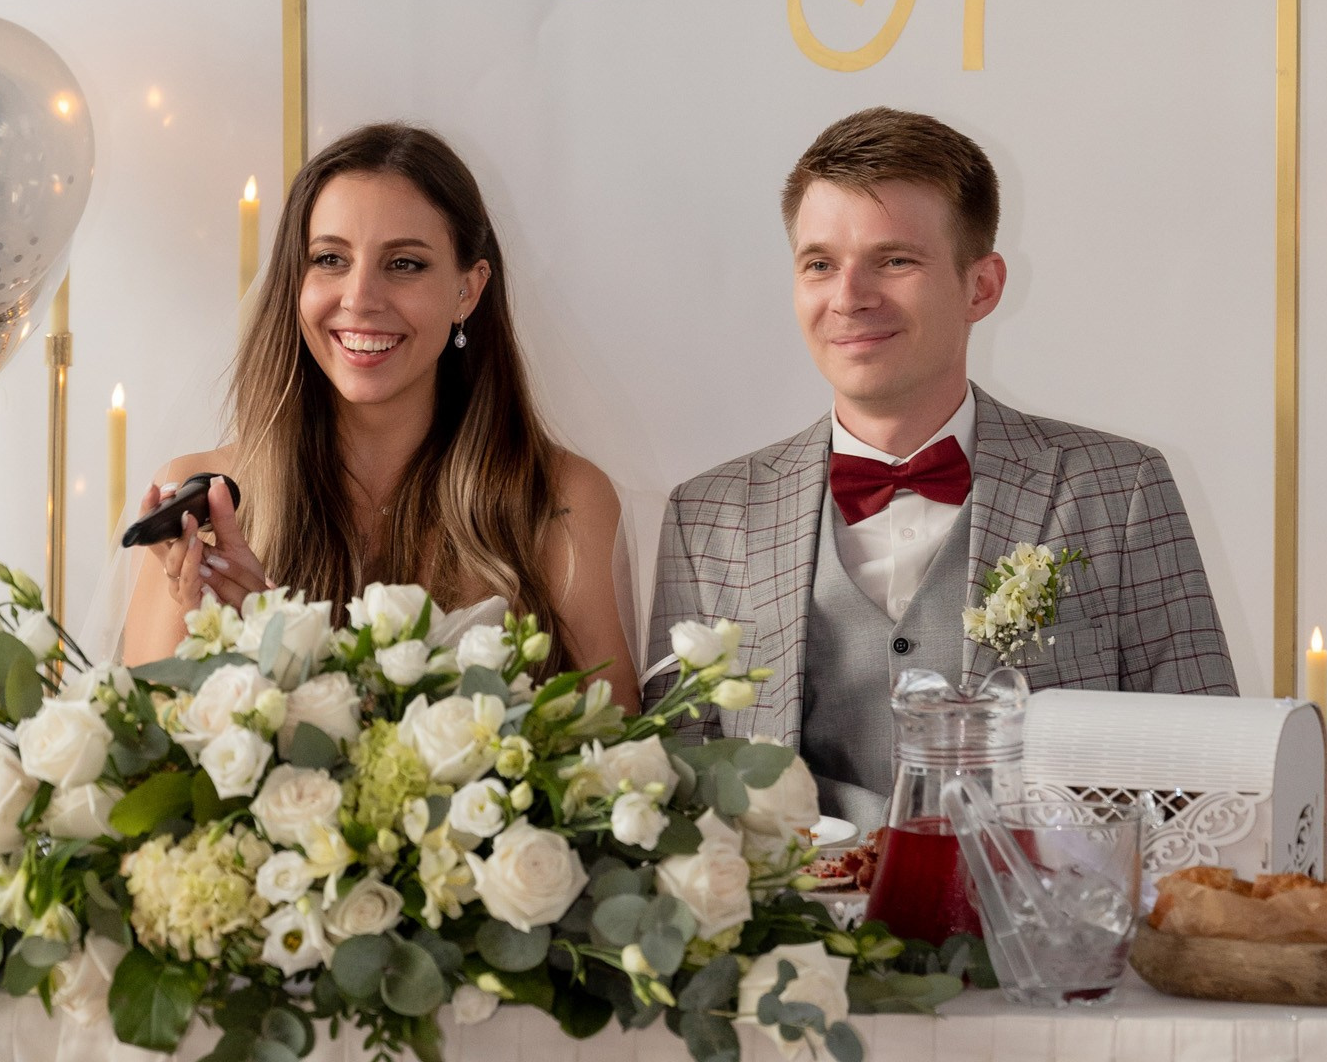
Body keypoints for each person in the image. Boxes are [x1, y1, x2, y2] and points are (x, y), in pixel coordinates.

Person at [650, 107, 1235, 831]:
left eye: (895, 260)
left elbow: (1210, 780)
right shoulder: (708, 515)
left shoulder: (1121, 489)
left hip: (1036, 930)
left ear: (981, 287)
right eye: (820, 264)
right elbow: (674, 795)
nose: (849, 296)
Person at [123, 122, 637, 695]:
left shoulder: (562, 503)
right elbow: (143, 762)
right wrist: (225, 643)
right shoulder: (209, 509)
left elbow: (621, 767)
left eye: (404, 264)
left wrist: (281, 641)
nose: (360, 298)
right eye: (329, 259)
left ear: (468, 290)